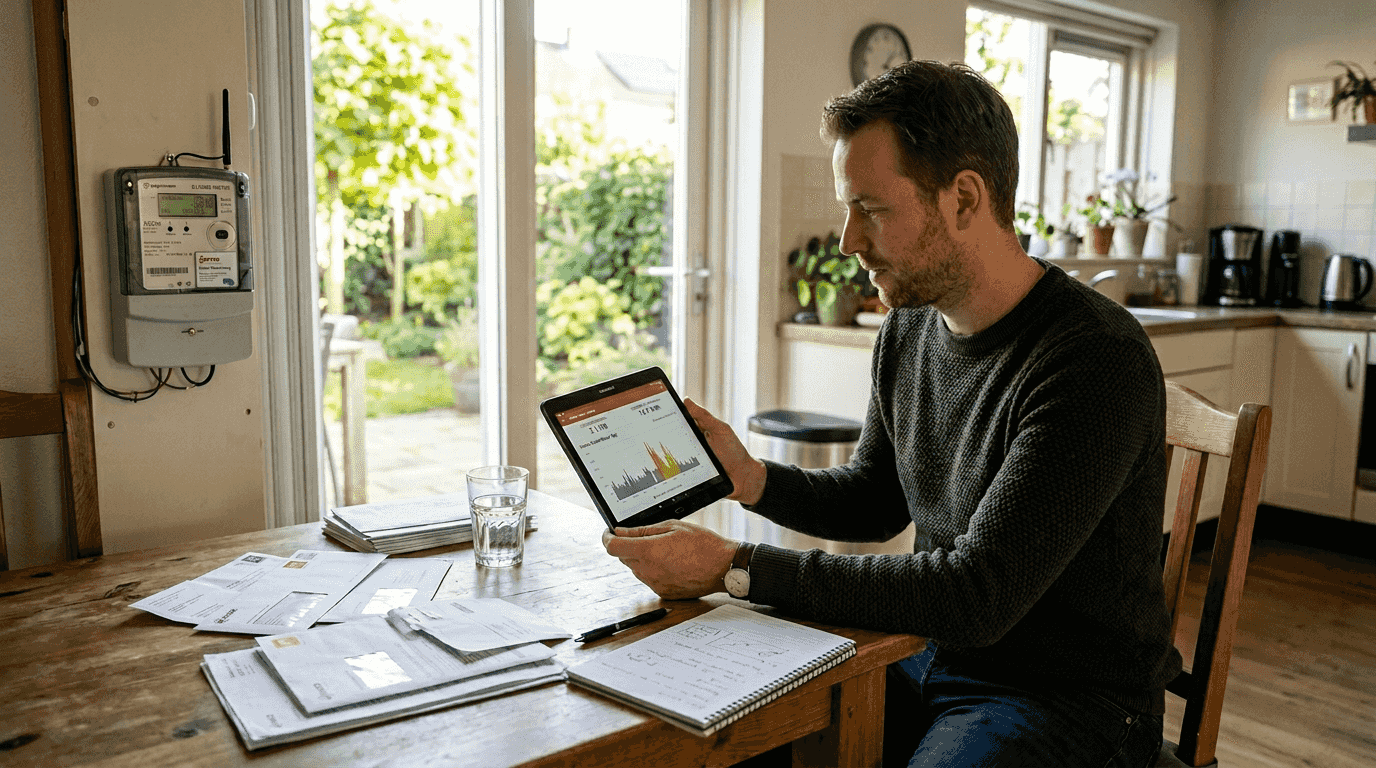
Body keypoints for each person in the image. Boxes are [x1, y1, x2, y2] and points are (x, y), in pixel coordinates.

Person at [602, 59, 1181, 767]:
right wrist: (752, 479)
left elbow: (975, 596)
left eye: (872, 210)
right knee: (729, 744)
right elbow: (876, 501)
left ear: (964, 198)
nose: (848, 242)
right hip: (926, 654)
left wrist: (734, 567)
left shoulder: (1093, 358)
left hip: (1070, 700)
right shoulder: (910, 328)